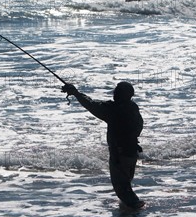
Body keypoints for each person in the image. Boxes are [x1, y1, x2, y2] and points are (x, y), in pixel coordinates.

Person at [62, 81, 145, 210]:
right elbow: (139, 126)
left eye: (117, 90)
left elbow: (91, 105)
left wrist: (76, 93)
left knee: (121, 188)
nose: (115, 92)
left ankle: (135, 210)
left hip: (120, 154)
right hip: (132, 152)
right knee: (125, 185)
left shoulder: (112, 110)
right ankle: (131, 212)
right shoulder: (132, 107)